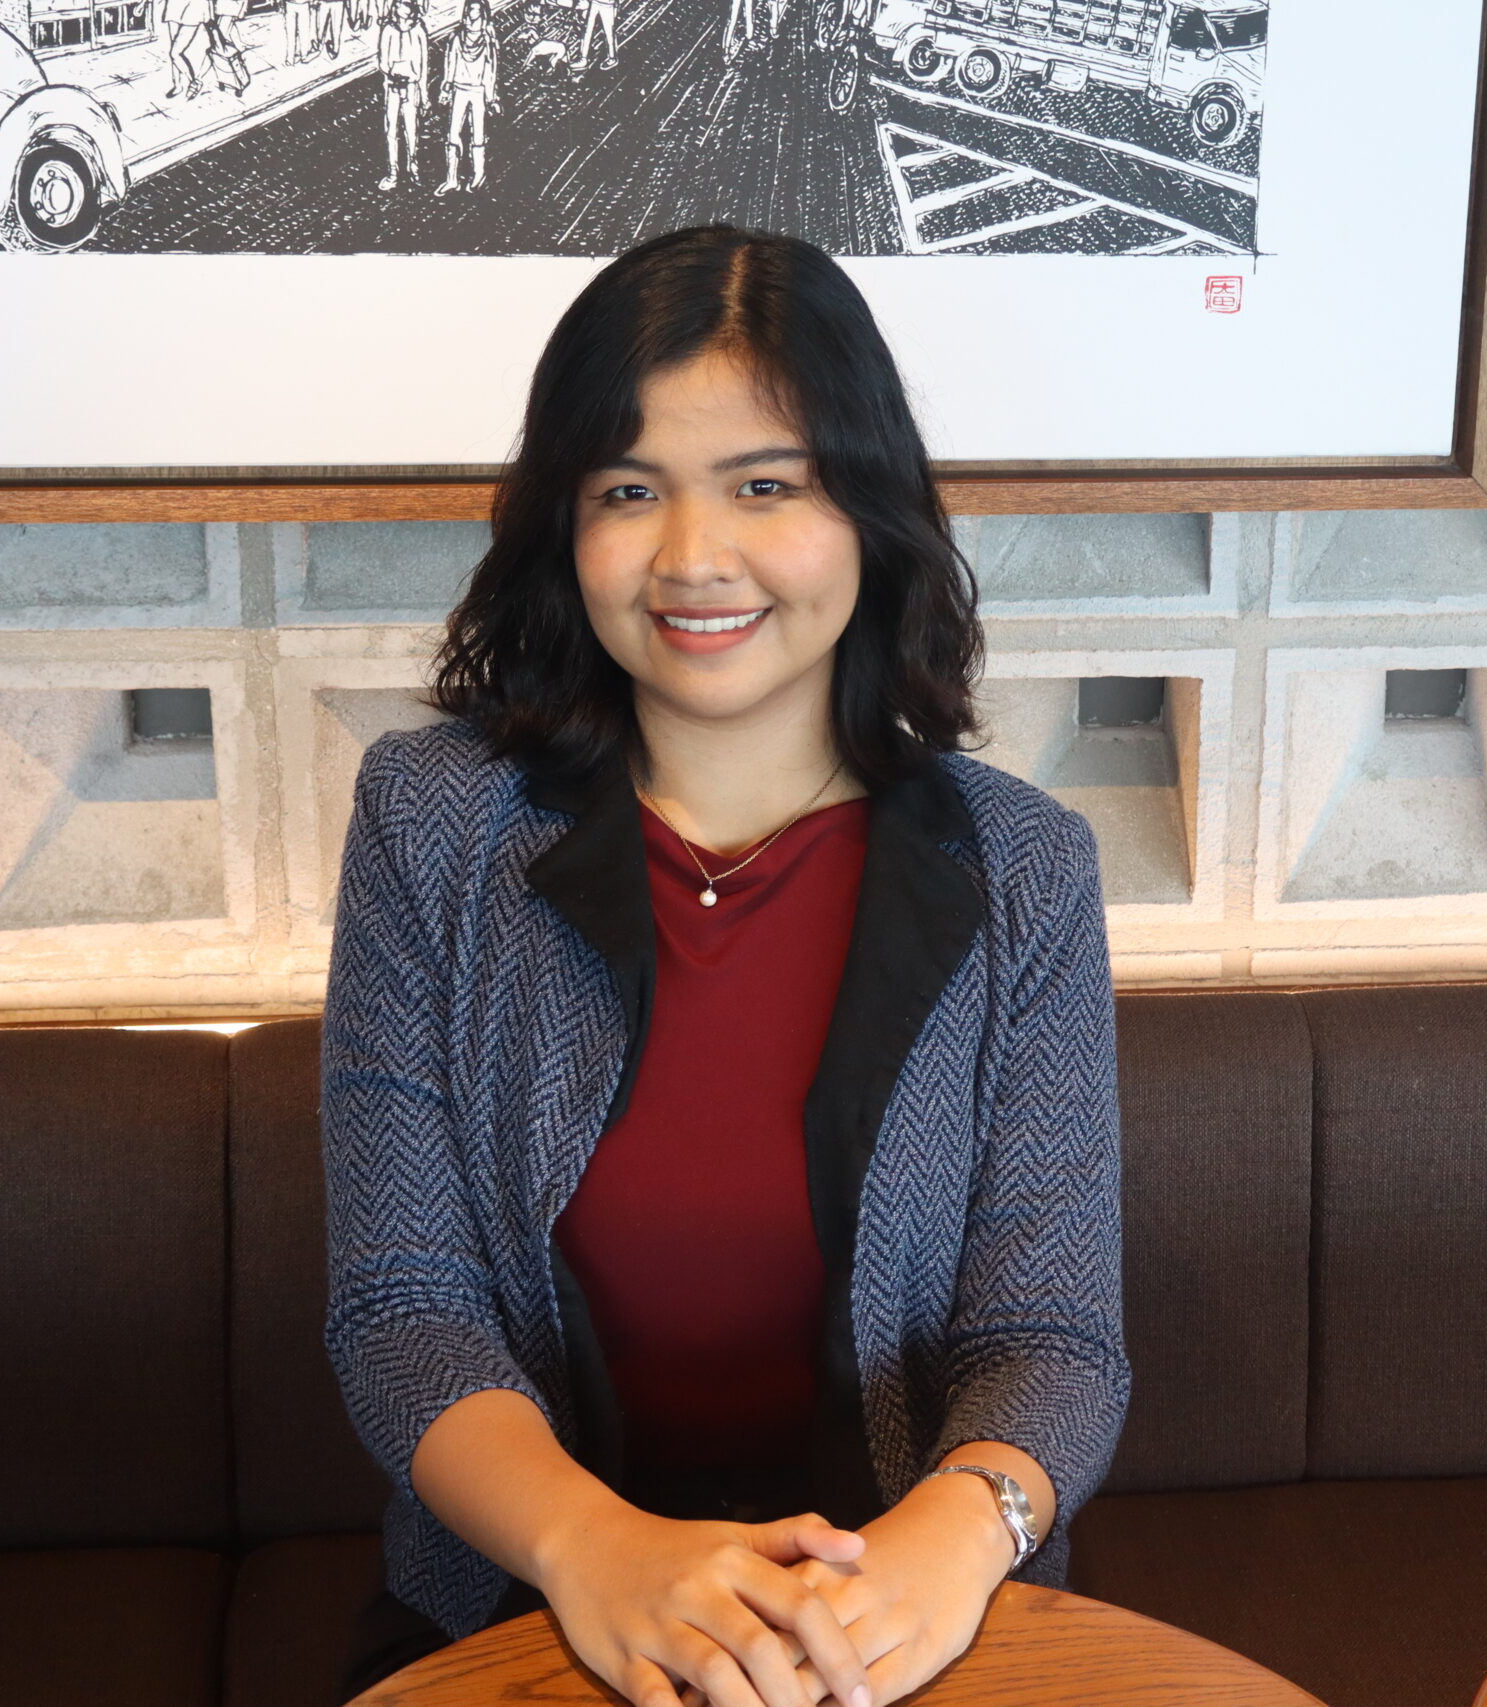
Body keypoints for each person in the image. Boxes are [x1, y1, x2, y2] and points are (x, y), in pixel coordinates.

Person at [321, 225, 1129, 1707]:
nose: (694, 558)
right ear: (565, 523)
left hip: (900, 1625)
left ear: (866, 512)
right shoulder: (431, 822)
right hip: (535, 1606)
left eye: (768, 484)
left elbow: (1053, 1340)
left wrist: (954, 1546)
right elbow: (403, 1306)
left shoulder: (1024, 868)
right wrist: (595, 1547)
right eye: (630, 490)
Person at [435, 0, 499, 193]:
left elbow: (491, 71)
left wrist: (491, 97)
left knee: (478, 134)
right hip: (459, 89)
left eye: (477, 14)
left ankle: (478, 174)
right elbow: (450, 66)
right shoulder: (457, 38)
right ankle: (451, 178)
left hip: (478, 91)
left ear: (483, 16)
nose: (473, 18)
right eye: (470, 13)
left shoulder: (488, 40)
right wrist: (445, 89)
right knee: (453, 133)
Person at [375, 0, 428, 189]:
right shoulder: (388, 30)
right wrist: (393, 73)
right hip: (392, 86)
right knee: (391, 130)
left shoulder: (419, 30)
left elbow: (423, 64)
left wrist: (424, 93)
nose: (401, 7)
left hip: (412, 86)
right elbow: (382, 61)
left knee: (412, 129)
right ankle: (393, 172)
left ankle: (413, 166)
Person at [161, 0, 215, 97]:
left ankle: (193, 81)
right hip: (174, 7)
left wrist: (210, 14)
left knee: (175, 53)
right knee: (174, 49)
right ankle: (177, 85)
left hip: (193, 9)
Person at [581, 0, 617, 70]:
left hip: (607, 5)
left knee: (609, 32)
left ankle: (612, 57)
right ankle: (583, 58)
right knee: (588, 30)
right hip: (595, 3)